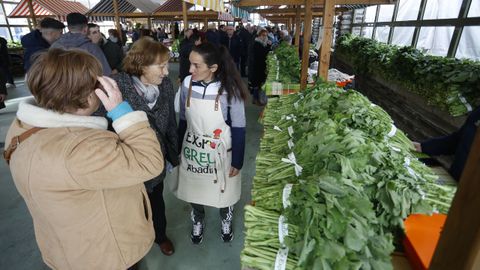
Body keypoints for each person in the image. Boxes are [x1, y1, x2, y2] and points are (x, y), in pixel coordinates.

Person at [4, 48, 164, 269]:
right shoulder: (80, 148)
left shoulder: (22, 127)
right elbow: (150, 162)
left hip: (66, 246)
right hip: (106, 255)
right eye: (97, 83)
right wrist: (121, 111)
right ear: (87, 95)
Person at [96, 37, 178, 256]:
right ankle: (132, 249)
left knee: (157, 201)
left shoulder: (166, 85)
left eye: (166, 65)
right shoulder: (116, 86)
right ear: (141, 64)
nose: (166, 72)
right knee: (128, 206)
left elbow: (170, 120)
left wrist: (173, 152)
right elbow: (99, 126)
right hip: (126, 162)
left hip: (157, 158)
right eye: (161, 66)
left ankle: (160, 236)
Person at [173, 43, 247, 244]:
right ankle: (198, 217)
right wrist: (178, 149)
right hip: (193, 148)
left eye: (196, 66)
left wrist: (237, 161)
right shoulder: (187, 84)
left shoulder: (229, 90)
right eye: (190, 64)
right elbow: (183, 120)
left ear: (213, 68)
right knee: (194, 188)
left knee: (224, 190)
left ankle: (226, 217)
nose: (190, 70)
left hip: (221, 150)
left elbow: (239, 127)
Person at [413, 106, 480, 181]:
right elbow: (458, 139)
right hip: (454, 179)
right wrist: (424, 147)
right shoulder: (478, 113)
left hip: (469, 188)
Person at [248, 28, 271, 105]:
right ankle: (256, 99)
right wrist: (268, 46)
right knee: (257, 84)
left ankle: (257, 99)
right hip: (257, 67)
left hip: (260, 66)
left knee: (258, 83)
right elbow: (262, 54)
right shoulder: (257, 44)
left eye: (266, 35)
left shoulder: (262, 43)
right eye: (263, 35)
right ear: (259, 35)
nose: (265, 37)